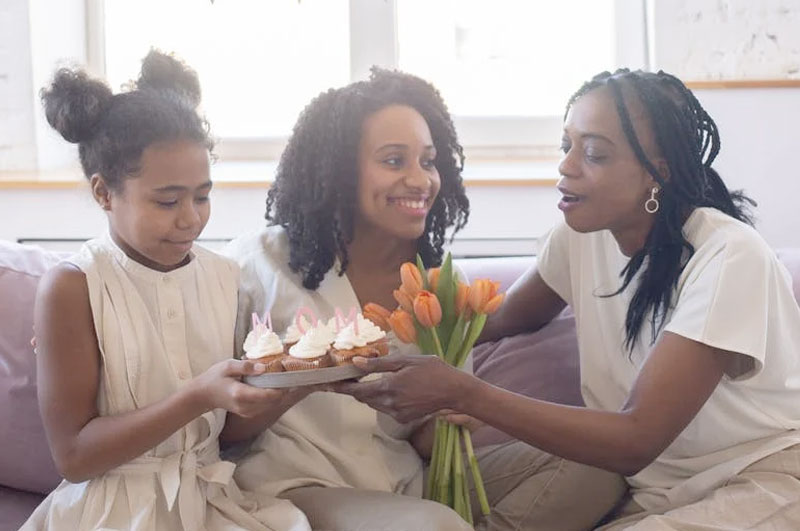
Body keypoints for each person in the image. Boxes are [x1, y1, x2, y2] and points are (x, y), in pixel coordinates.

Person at [336, 68, 800, 530]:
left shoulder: (728, 258)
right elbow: (497, 319)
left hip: (761, 478)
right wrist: (381, 327)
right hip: (654, 494)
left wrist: (466, 393)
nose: (566, 166)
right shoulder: (582, 236)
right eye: (566, 146)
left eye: (594, 153)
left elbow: (637, 438)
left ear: (657, 173)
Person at [225, 68, 621, 530]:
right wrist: (304, 375)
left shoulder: (436, 290)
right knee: (433, 525)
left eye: (428, 161)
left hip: (404, 484)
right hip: (296, 489)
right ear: (338, 169)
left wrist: (455, 415)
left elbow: (423, 443)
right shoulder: (258, 264)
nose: (420, 180)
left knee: (599, 466)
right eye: (394, 161)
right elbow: (219, 430)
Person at [22, 51, 311, 531]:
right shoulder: (73, 286)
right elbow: (73, 457)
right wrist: (198, 394)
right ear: (103, 193)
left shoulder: (223, 276)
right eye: (168, 200)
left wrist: (299, 382)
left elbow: (227, 434)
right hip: (110, 513)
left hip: (208, 503)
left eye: (202, 196)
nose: (190, 218)